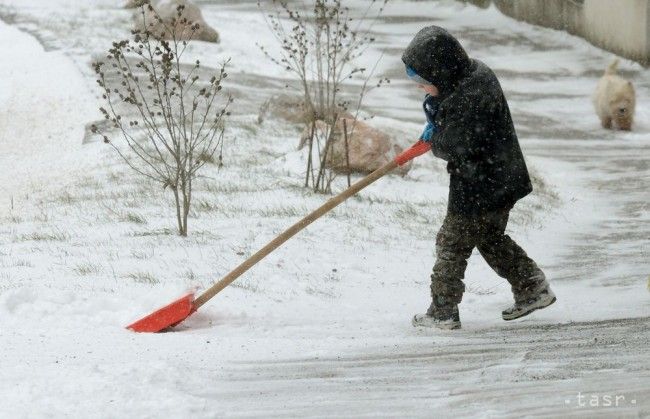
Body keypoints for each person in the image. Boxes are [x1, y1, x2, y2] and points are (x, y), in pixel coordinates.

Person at [402, 26, 556, 330]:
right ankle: (532, 287)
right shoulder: (474, 76)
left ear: (441, 72)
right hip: (501, 177)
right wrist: (438, 119)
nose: (421, 89)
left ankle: (443, 311)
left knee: (451, 244)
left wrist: (437, 135)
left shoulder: (466, 97)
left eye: (424, 83)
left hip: (479, 185)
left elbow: (454, 145)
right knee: (488, 237)